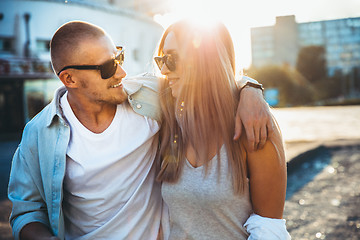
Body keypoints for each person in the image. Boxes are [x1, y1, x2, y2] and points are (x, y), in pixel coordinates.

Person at [8, 21, 271, 240]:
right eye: (108, 67)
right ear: (70, 79)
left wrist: (250, 89)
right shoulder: (39, 133)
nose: (122, 72)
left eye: (118, 57)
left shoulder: (150, 98)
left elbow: (204, 76)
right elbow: (27, 211)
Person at [155, 20, 291, 239]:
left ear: (204, 60)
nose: (163, 70)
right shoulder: (167, 120)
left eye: (171, 59)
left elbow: (269, 230)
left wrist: (250, 89)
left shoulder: (254, 124)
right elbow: (123, 86)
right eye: (161, 59)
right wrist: (250, 85)